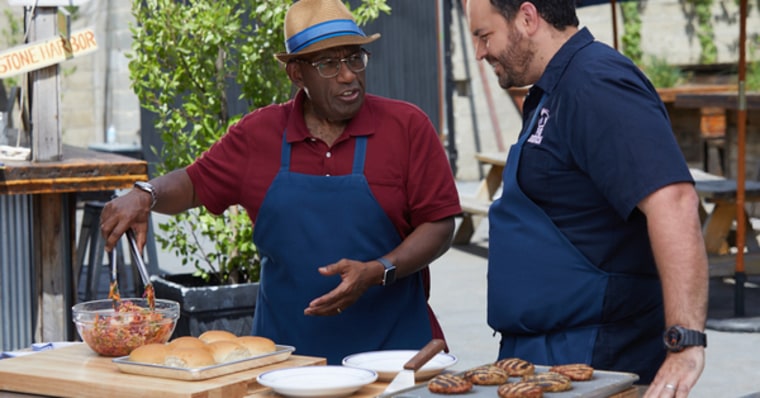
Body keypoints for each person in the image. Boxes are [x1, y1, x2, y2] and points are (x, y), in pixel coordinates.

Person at [100, 0, 461, 364]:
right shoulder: (260, 134)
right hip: (287, 363)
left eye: (354, 58)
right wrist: (146, 194)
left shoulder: (407, 127)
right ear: (296, 74)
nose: (349, 74)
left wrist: (378, 270)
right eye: (329, 64)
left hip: (396, 359)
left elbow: (440, 224)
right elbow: (194, 183)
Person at [465, 0, 708, 396]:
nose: (479, 52)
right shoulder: (553, 88)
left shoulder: (595, 82)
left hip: (594, 354)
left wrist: (685, 342)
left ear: (527, 18)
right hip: (546, 352)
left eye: (484, 35)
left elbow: (674, 200)